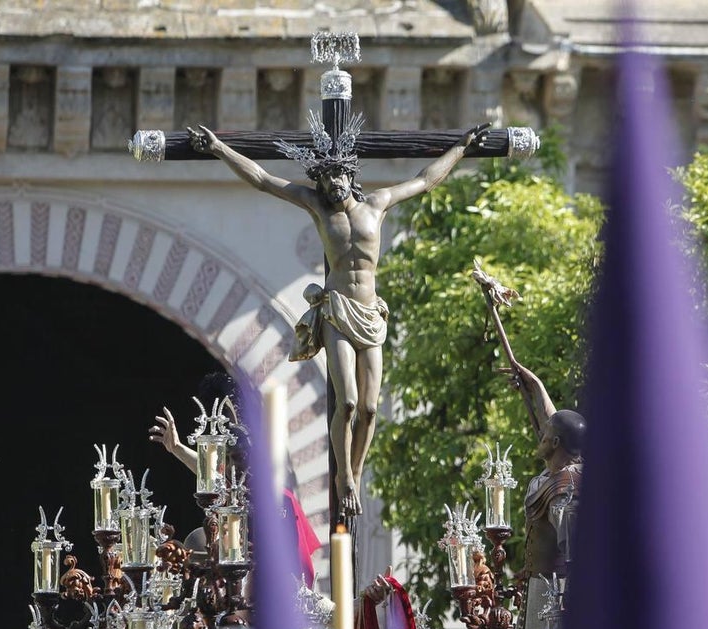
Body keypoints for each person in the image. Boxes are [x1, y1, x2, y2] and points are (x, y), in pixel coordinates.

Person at [186, 122, 489, 519]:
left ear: (351, 174)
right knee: (345, 402)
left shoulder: (377, 205)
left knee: (369, 409)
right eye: (326, 179)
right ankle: (343, 476)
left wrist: (461, 149)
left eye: (338, 176)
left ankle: (357, 471)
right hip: (337, 310)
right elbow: (262, 179)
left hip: (370, 313)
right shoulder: (316, 207)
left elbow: (424, 181)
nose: (332, 185)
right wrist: (220, 148)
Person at [148, 374, 322, 584]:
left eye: (238, 458)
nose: (231, 466)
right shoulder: (228, 487)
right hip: (229, 587)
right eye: (226, 459)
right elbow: (211, 476)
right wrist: (176, 448)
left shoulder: (279, 499)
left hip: (273, 590)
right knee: (197, 540)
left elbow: (300, 572)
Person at [490, 364, 584, 629]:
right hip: (535, 592)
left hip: (553, 594)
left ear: (556, 443)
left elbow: (573, 549)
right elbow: (554, 420)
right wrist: (536, 386)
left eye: (546, 433)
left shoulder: (567, 486)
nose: (540, 433)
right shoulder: (554, 473)